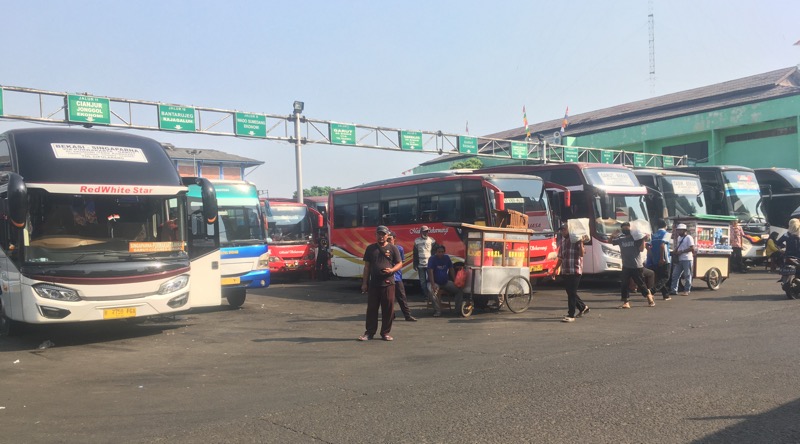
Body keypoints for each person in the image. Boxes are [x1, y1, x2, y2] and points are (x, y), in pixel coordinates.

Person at [358, 225, 403, 342]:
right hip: (374, 284)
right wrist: (364, 283)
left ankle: (385, 333)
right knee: (372, 309)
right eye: (379, 234)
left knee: (388, 309)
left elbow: (399, 263)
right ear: (376, 235)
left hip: (388, 283)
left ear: (387, 235)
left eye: (383, 234)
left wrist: (392, 270)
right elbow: (367, 267)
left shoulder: (393, 249)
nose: (381, 236)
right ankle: (369, 333)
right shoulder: (370, 249)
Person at [551, 223, 589, 323]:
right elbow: (560, 258)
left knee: (571, 293)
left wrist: (581, 242)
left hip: (575, 271)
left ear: (570, 230)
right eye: (561, 230)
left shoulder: (576, 241)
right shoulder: (563, 243)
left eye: (564, 229)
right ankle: (583, 307)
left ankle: (571, 314)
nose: (563, 232)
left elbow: (581, 254)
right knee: (570, 292)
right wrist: (555, 270)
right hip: (566, 271)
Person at [612, 221, 654, 309]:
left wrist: (643, 239)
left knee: (640, 284)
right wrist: (613, 234)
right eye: (623, 228)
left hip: (636, 266)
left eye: (626, 228)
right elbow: (610, 241)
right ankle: (626, 302)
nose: (625, 230)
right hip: (626, 266)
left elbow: (642, 249)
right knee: (624, 284)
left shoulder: (636, 238)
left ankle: (649, 298)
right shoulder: (621, 239)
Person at [427, 244, 463, 317]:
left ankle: (457, 310)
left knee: (459, 290)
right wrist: (433, 284)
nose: (440, 253)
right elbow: (430, 271)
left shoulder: (446, 258)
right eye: (439, 252)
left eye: (442, 252)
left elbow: (451, 269)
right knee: (432, 291)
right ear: (436, 252)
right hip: (434, 282)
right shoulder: (432, 259)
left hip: (445, 282)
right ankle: (437, 310)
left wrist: (455, 280)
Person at [387, 231, 417, 322]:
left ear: (394, 239)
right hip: (387, 277)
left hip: (397, 277)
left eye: (390, 239)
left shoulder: (399, 249)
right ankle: (391, 315)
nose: (388, 241)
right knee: (389, 298)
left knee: (402, 297)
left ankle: (407, 315)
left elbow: (400, 262)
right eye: (387, 239)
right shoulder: (383, 249)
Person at [646, 219, 672, 300]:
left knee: (660, 277)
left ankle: (666, 295)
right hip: (664, 259)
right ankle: (652, 291)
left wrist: (652, 256)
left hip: (655, 259)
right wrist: (661, 258)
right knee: (665, 277)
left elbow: (647, 246)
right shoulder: (666, 234)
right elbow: (662, 246)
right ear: (666, 226)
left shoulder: (654, 235)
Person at [670, 223, 696, 296]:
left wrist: (681, 251)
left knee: (687, 275)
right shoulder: (679, 238)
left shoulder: (689, 237)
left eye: (680, 230)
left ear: (684, 230)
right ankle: (674, 290)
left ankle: (687, 290)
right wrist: (675, 251)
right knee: (675, 275)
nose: (678, 232)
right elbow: (679, 247)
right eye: (678, 230)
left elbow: (692, 248)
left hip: (687, 259)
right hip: (680, 259)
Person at [413, 225, 436, 302]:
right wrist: (415, 264)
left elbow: (434, 252)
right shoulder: (416, 241)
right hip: (420, 265)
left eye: (427, 231)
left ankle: (431, 295)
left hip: (430, 265)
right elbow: (415, 254)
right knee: (422, 282)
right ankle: (426, 296)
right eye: (424, 231)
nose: (426, 232)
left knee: (430, 280)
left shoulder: (432, 240)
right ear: (421, 232)